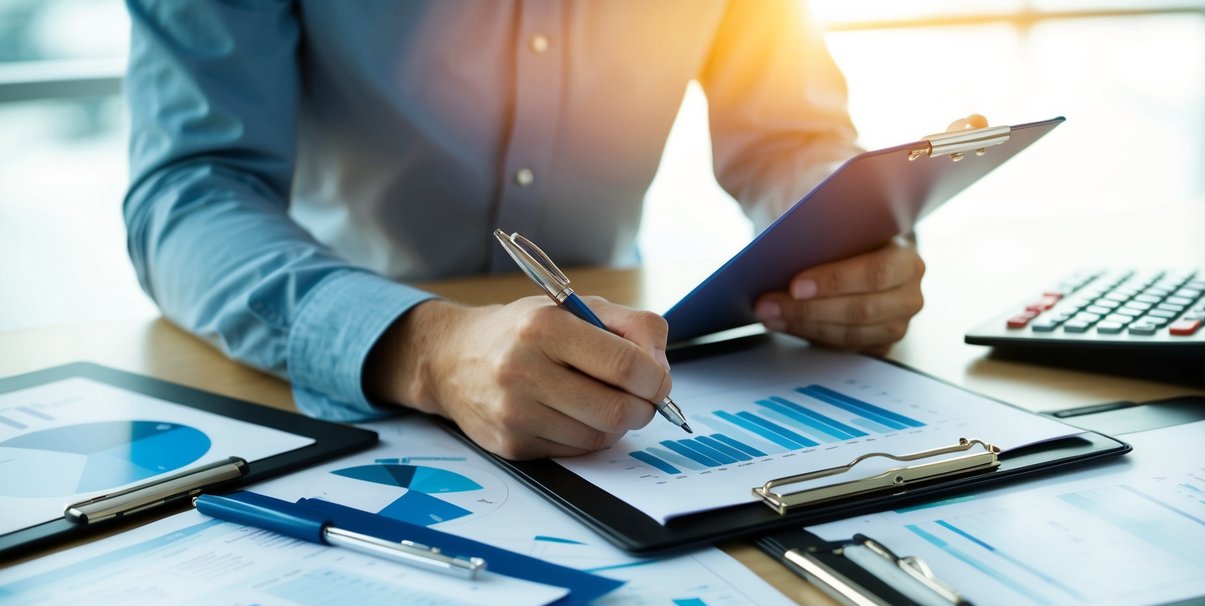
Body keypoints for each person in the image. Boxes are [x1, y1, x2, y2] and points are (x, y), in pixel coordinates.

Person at [124, 1, 969, 460]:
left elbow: (787, 135)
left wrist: (843, 234)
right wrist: (423, 348)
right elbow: (189, 191)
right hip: (316, 381)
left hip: (613, 366)